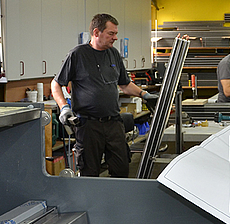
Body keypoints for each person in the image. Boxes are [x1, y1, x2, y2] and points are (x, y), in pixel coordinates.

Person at [51, 13, 158, 178]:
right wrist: (64, 107)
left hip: (113, 123)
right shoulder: (78, 55)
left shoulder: (113, 54)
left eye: (116, 33)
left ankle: (117, 203)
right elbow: (56, 83)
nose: (115, 37)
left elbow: (124, 84)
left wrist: (144, 94)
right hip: (88, 125)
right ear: (96, 32)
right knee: (89, 172)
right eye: (111, 33)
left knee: (121, 168)